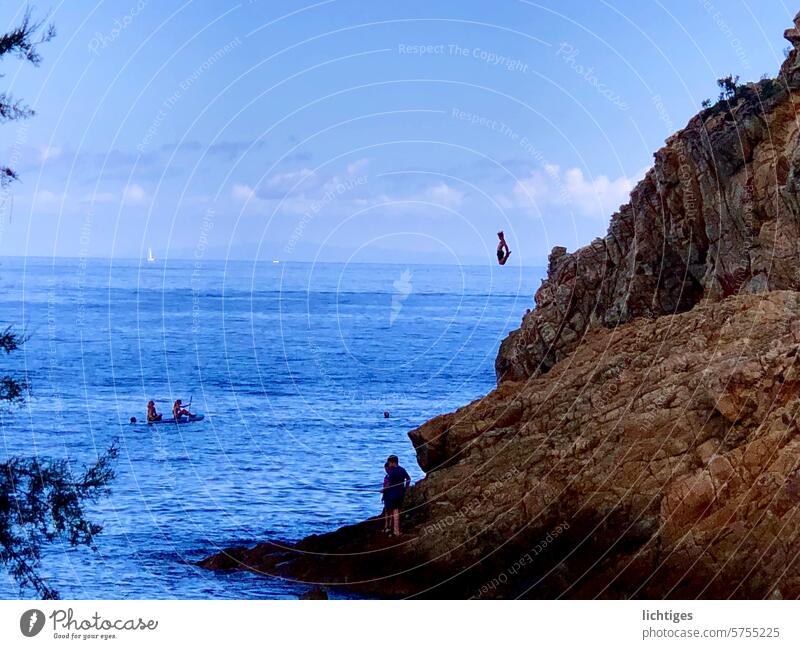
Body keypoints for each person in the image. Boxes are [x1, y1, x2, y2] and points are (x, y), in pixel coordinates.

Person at [383, 454, 411, 537]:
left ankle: (396, 531)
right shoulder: (402, 470)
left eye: (389, 462)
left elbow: (388, 484)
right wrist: (406, 487)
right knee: (397, 511)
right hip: (401, 493)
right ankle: (395, 530)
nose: (389, 464)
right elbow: (408, 479)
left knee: (394, 512)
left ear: (393, 462)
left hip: (393, 495)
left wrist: (383, 490)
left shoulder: (391, 472)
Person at [380, 462, 391, 534]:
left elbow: (388, 485)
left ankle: (389, 525)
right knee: (387, 511)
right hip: (386, 495)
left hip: (390, 495)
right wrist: (383, 496)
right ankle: (386, 525)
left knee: (390, 511)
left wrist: (383, 490)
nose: (386, 470)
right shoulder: (386, 476)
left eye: (386, 468)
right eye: (385, 469)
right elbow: (385, 486)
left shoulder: (391, 476)